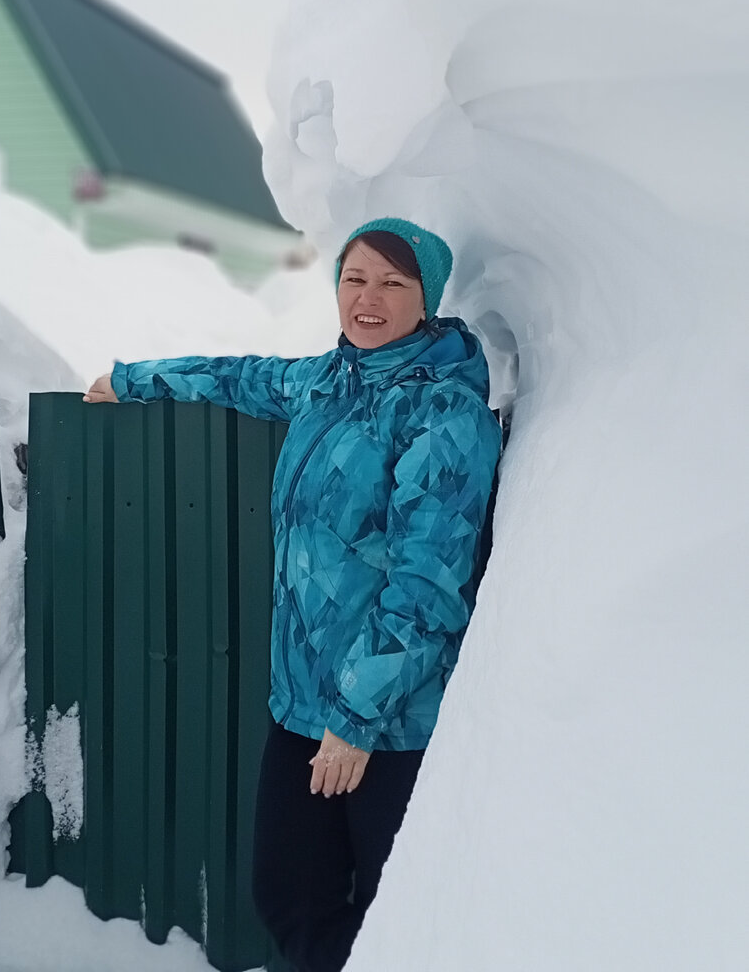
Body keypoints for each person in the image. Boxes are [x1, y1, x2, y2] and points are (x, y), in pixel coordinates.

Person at [84, 217, 502, 972]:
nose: (367, 298)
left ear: (426, 299)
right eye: (354, 278)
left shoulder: (444, 413)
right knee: (287, 895)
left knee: (394, 915)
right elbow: (237, 375)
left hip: (389, 725)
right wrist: (131, 379)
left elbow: (427, 588)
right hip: (304, 705)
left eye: (392, 283)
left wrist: (355, 719)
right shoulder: (327, 381)